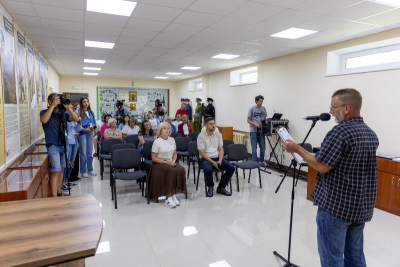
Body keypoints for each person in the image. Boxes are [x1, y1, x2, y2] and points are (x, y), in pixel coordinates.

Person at [283, 88, 379, 267]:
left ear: (347, 108)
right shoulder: (370, 133)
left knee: (332, 258)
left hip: (337, 208)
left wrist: (297, 149)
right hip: (360, 207)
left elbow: (321, 166)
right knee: (355, 256)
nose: (330, 111)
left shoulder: (340, 132)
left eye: (333, 107)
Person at [40, 93, 79, 197]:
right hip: (53, 146)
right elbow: (44, 120)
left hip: (64, 145)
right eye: (56, 100)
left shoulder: (63, 114)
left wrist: (69, 108)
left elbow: (76, 119)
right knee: (55, 172)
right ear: (50, 101)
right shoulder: (44, 112)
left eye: (59, 100)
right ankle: (54, 198)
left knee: (62, 169)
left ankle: (59, 192)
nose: (58, 102)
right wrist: (52, 106)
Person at [149, 122, 187, 208]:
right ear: (160, 131)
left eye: (168, 128)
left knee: (180, 169)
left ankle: (173, 194)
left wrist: (173, 161)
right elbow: (154, 158)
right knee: (171, 171)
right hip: (159, 163)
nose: (167, 130)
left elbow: (175, 153)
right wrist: (167, 163)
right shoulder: (157, 142)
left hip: (170, 161)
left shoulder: (172, 139)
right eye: (164, 129)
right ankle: (168, 197)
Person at [197, 117, 235, 197]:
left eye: (214, 123)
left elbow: (221, 149)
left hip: (217, 157)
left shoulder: (218, 134)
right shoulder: (201, 136)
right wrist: (213, 162)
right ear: (206, 125)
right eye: (210, 124)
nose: (213, 125)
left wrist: (220, 160)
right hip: (205, 159)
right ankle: (210, 186)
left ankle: (221, 187)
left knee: (231, 168)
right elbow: (202, 153)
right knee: (208, 169)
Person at [62, 104, 82, 191]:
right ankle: (63, 182)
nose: (71, 109)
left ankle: (67, 180)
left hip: (74, 141)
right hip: (68, 142)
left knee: (72, 161)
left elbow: (78, 129)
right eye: (69, 107)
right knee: (66, 162)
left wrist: (78, 121)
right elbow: (66, 128)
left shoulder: (74, 117)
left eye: (71, 108)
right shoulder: (64, 117)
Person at [78, 97, 97, 178]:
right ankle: (83, 170)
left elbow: (94, 124)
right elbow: (77, 125)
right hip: (82, 132)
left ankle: (90, 169)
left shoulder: (91, 112)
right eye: (84, 102)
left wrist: (90, 130)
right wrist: (85, 130)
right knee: (83, 153)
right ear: (81, 103)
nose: (86, 103)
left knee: (89, 152)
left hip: (90, 133)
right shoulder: (79, 112)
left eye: (87, 101)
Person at [247, 95, 267, 167]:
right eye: (260, 101)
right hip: (254, 131)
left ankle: (261, 161)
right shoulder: (251, 109)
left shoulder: (263, 108)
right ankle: (254, 162)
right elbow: (248, 120)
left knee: (262, 146)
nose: (261, 102)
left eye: (262, 101)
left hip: (261, 131)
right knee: (254, 147)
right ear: (256, 101)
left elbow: (265, 118)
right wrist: (255, 124)